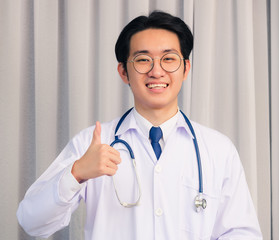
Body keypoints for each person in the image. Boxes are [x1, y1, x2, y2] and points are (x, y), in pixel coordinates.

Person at [17, 11, 263, 239]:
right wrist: (77, 173)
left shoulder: (218, 150)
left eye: (169, 59)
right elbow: (31, 221)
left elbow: (241, 233)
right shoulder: (91, 144)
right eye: (143, 60)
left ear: (186, 68)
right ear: (124, 72)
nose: (157, 71)